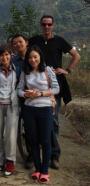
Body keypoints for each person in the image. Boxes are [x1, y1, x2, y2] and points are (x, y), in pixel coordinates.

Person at [28, 15, 80, 169]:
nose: (46, 27)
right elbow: (24, 52)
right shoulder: (34, 40)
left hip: (54, 84)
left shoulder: (59, 41)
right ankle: (34, 152)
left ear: (53, 25)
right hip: (36, 84)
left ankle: (52, 151)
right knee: (34, 120)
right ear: (40, 25)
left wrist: (67, 70)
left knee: (53, 119)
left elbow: (76, 55)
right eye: (44, 24)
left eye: (49, 24)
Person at [17, 45, 60, 184]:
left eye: (35, 56)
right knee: (33, 141)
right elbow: (18, 90)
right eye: (30, 57)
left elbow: (56, 88)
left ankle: (45, 170)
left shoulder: (47, 70)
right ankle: (37, 168)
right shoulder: (25, 71)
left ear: (40, 56)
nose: (33, 59)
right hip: (29, 110)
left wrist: (40, 94)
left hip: (45, 109)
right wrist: (26, 94)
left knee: (46, 141)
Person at [0, 45, 20, 177]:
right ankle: (0, 160)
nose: (4, 57)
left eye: (7, 54)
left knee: (11, 135)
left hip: (12, 105)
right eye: (2, 55)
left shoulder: (17, 70)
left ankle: (10, 161)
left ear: (11, 55)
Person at [11, 34, 34, 169]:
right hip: (17, 96)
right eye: (15, 43)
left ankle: (32, 155)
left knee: (30, 127)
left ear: (26, 42)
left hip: (33, 97)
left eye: (20, 42)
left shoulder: (34, 57)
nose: (18, 45)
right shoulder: (13, 61)